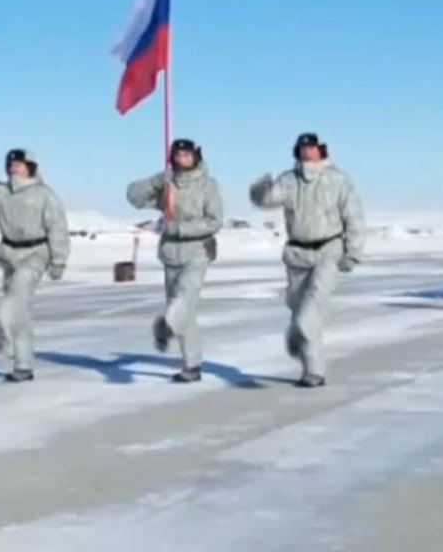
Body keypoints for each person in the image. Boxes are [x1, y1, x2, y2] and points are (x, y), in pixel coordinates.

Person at [250, 131, 365, 387]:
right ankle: (305, 357)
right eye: (302, 148)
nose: (307, 151)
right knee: (298, 307)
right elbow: (269, 199)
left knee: (309, 312)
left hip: (329, 250)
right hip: (297, 254)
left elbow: (354, 218)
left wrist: (353, 252)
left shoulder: (338, 180)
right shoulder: (289, 180)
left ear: (321, 150)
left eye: (312, 147)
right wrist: (259, 191)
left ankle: (315, 371)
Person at [0, 148, 71, 383]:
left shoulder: (44, 195)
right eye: (11, 163)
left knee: (20, 290)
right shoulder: (1, 193)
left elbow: (58, 228)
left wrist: (59, 260)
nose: (14, 167)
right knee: (20, 314)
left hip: (36, 253)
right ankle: (22, 365)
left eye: (19, 163)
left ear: (31, 166)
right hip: (10, 254)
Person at [126, 138, 223, 383]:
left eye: (188, 155)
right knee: (185, 313)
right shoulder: (168, 185)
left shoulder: (208, 186)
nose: (183, 160)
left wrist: (178, 228)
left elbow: (214, 221)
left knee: (184, 296)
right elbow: (134, 198)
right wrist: (156, 181)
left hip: (198, 251)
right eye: (178, 156)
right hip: (170, 254)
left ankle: (166, 326)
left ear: (196, 157)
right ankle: (192, 364)